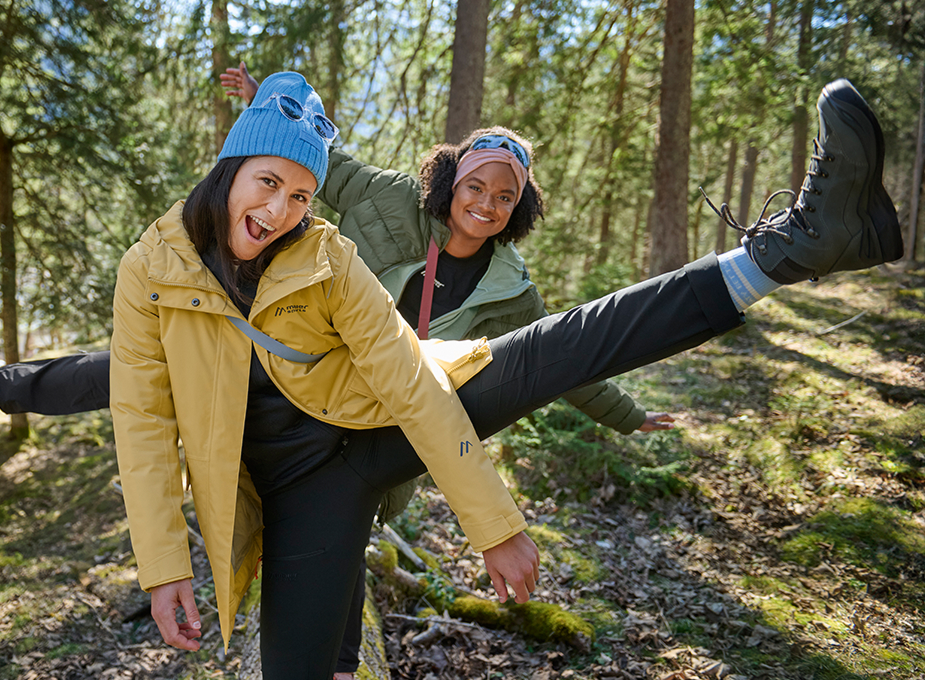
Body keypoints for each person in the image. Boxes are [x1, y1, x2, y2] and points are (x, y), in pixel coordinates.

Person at [110, 70, 898, 680]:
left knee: (565, 341)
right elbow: (141, 418)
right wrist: (162, 564)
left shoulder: (333, 256)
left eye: (300, 196)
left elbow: (414, 383)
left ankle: (793, 248)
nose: (282, 210)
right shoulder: (155, 269)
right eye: (268, 183)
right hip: (295, 490)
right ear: (232, 163)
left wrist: (495, 524)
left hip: (389, 430)